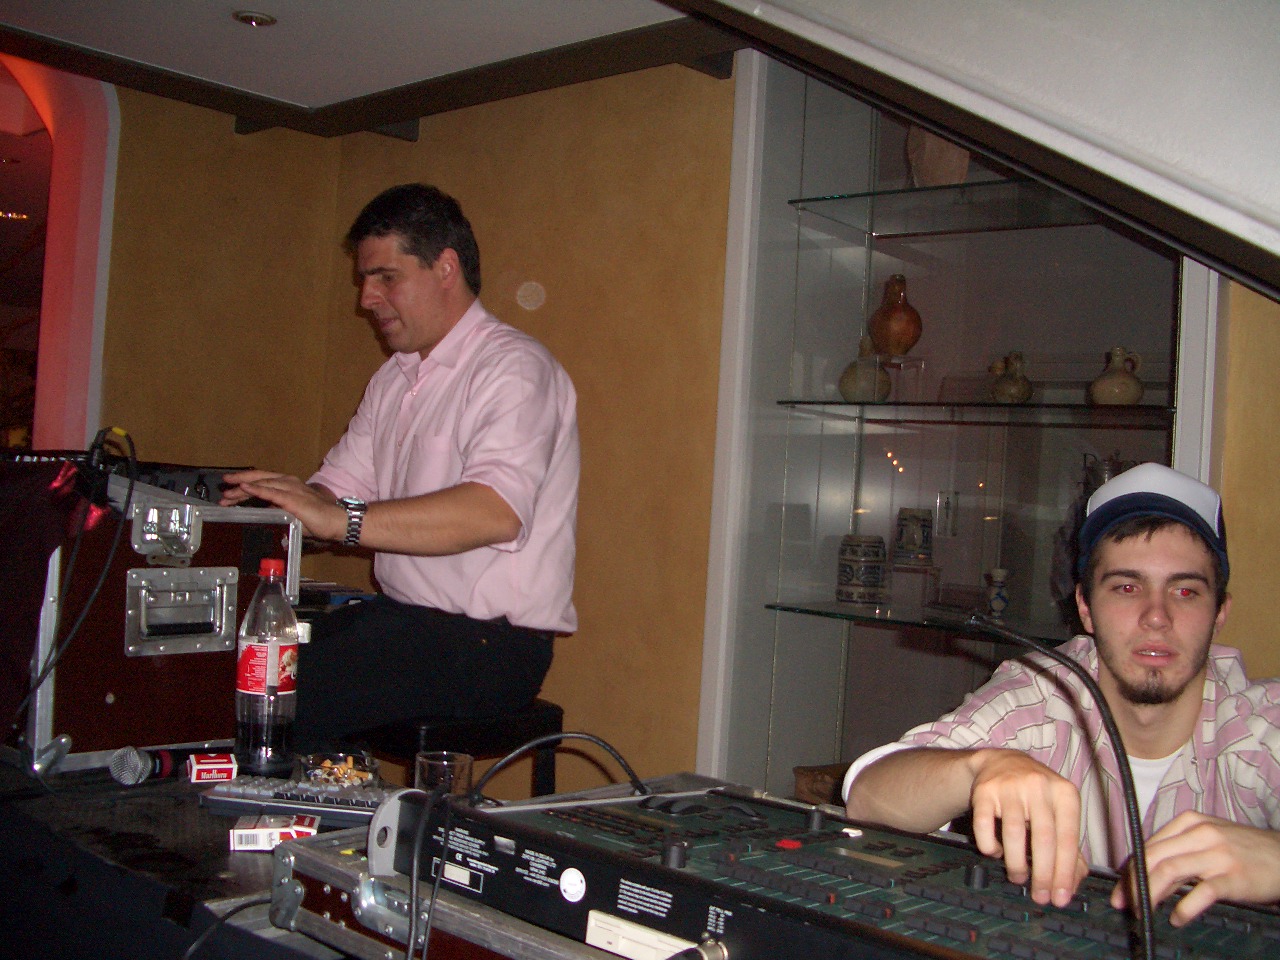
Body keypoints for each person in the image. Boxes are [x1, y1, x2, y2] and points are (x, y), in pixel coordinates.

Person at [220, 183, 578, 751]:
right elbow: (337, 490)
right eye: (365, 279)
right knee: (237, 658)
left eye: (385, 277)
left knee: (271, 689)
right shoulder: (394, 379)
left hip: (491, 647)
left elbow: (494, 512)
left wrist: (340, 519)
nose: (367, 298)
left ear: (445, 268)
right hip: (404, 620)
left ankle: (290, 801)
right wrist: (276, 506)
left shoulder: (514, 368)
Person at [843, 463, 1280, 926]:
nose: (1157, 616)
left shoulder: (1260, 723)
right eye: (1127, 587)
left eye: (1186, 591)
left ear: (1219, 613)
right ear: (1085, 608)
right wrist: (977, 768)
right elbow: (868, 797)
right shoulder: (1042, 694)